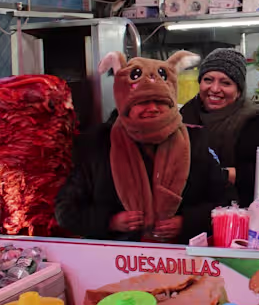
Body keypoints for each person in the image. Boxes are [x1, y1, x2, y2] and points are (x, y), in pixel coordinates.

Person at [56, 51, 227, 244]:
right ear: (125, 105)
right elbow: (66, 210)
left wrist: (188, 222)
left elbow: (227, 202)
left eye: (161, 102)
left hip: (182, 260)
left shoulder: (195, 142)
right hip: (113, 258)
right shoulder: (99, 144)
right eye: (143, 102)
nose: (152, 108)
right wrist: (110, 221)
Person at [180, 48, 259, 207]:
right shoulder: (184, 115)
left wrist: (220, 175)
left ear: (239, 91)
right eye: (208, 80)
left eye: (225, 82)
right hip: (191, 213)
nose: (214, 89)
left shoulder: (256, 121)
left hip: (241, 212)